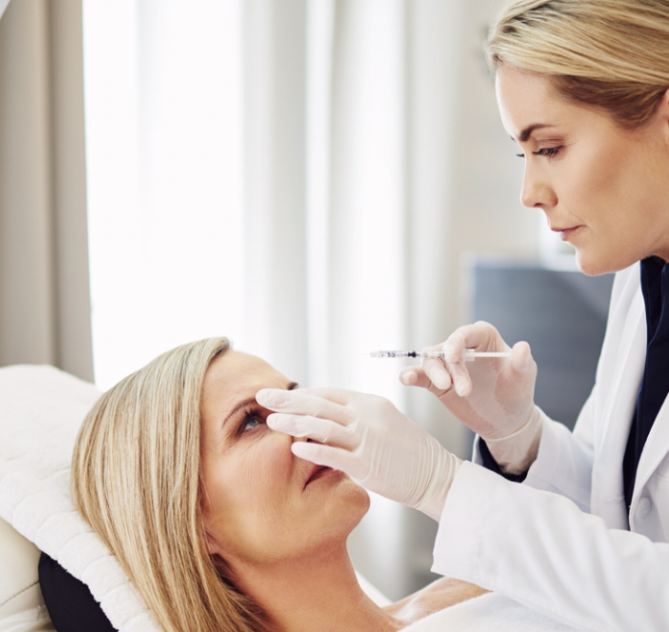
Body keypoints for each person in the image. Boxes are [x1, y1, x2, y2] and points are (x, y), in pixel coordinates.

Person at [257, 1, 669, 631]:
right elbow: (622, 512)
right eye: (522, 154)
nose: (531, 192)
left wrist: (440, 486)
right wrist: (519, 438)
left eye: (551, 147)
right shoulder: (645, 276)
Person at [48, 337, 488, 632]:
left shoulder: (483, 587)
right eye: (251, 421)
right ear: (191, 521)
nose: (309, 421)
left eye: (295, 398)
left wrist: (515, 440)